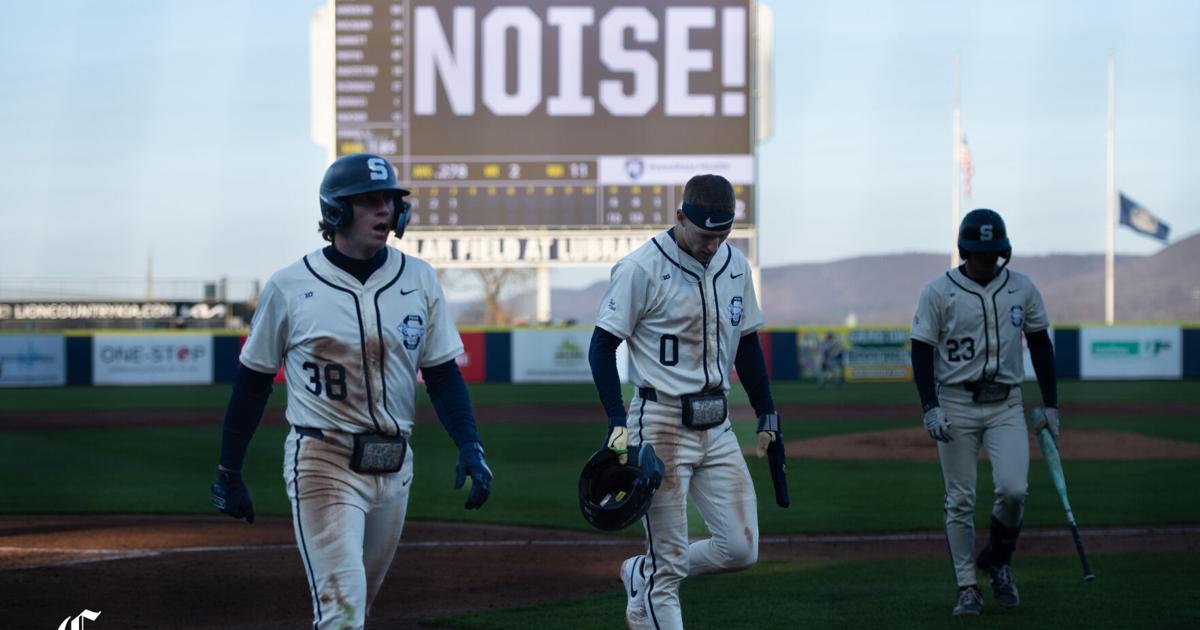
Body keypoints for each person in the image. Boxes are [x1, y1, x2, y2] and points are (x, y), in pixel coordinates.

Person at [209, 153, 493, 630]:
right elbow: (252, 384)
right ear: (336, 211)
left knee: (356, 607)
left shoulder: (419, 278)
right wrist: (228, 470)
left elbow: (443, 374)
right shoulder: (289, 286)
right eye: (368, 201)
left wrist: (469, 443)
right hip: (323, 460)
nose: (384, 210)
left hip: (394, 464)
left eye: (389, 200)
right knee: (341, 614)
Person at [588, 174, 784, 629]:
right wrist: (618, 421)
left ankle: (643, 569)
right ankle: (654, 580)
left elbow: (748, 345)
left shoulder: (735, 266)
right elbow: (602, 346)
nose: (715, 245)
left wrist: (766, 411)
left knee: (740, 547)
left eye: (724, 234)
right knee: (669, 566)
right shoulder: (641, 268)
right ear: (680, 217)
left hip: (717, 425)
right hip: (659, 424)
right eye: (705, 234)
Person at [910, 208, 1060, 616]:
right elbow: (921, 350)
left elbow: (1040, 344)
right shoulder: (939, 291)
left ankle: (998, 559)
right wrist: (931, 407)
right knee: (959, 500)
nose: (987, 259)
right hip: (956, 401)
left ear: (1003, 251)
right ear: (965, 251)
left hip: (1006, 402)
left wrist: (1050, 403)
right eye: (980, 252)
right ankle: (966, 586)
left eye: (994, 252)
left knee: (1014, 490)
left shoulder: (1022, 288)